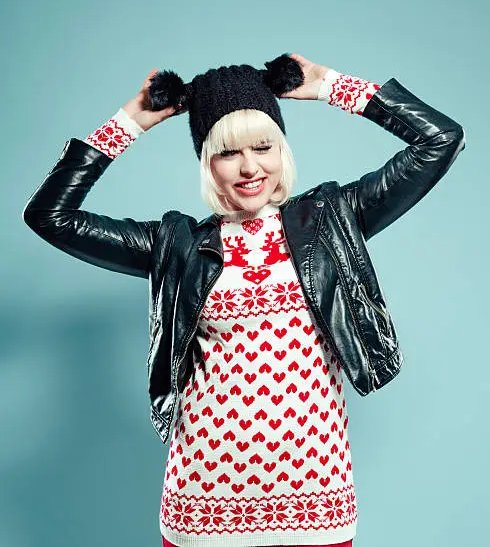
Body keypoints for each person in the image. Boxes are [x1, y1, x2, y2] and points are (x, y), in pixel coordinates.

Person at [22, 52, 465, 547]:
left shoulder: (333, 222)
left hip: (317, 501)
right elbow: (50, 217)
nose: (251, 167)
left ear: (282, 149)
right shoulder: (177, 246)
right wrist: (129, 123)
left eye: (263, 146)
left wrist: (330, 86)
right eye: (229, 152)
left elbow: (441, 139)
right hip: (202, 504)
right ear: (207, 163)